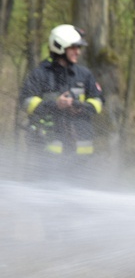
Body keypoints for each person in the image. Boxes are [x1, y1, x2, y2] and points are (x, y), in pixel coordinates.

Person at [19, 24, 104, 184]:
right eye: (73, 48)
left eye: (78, 48)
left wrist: (80, 106)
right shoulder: (40, 74)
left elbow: (98, 101)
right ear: (59, 47)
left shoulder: (84, 75)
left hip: (80, 158)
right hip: (46, 155)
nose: (77, 52)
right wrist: (54, 105)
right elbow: (26, 102)